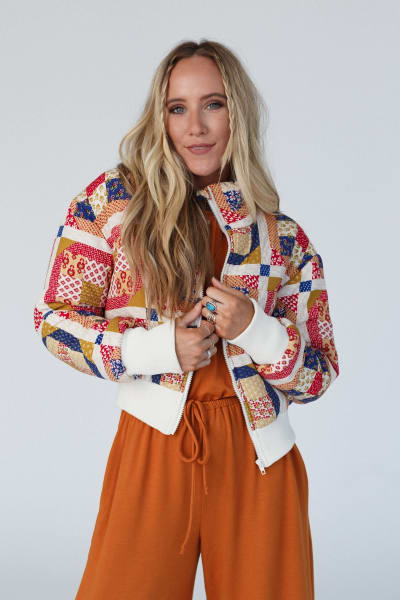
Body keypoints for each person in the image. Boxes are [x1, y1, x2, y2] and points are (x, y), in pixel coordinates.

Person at [33, 39, 339, 599]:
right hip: (153, 445)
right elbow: (54, 321)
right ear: (162, 117)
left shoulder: (281, 236)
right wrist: (157, 349)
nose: (195, 126)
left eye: (213, 104)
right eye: (178, 108)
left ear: (237, 113)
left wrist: (256, 330)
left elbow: (318, 376)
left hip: (259, 457)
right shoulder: (113, 204)